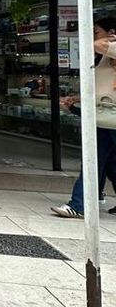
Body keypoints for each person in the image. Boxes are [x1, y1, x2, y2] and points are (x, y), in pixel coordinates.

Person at [52, 17, 116, 218]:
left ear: (111, 32)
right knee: (100, 163)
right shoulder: (106, 57)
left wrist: (108, 40)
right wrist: (77, 99)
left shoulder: (110, 47)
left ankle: (79, 205)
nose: (93, 36)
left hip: (110, 118)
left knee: (96, 162)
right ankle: (79, 204)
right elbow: (102, 88)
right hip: (103, 118)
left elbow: (96, 45)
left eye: (96, 31)